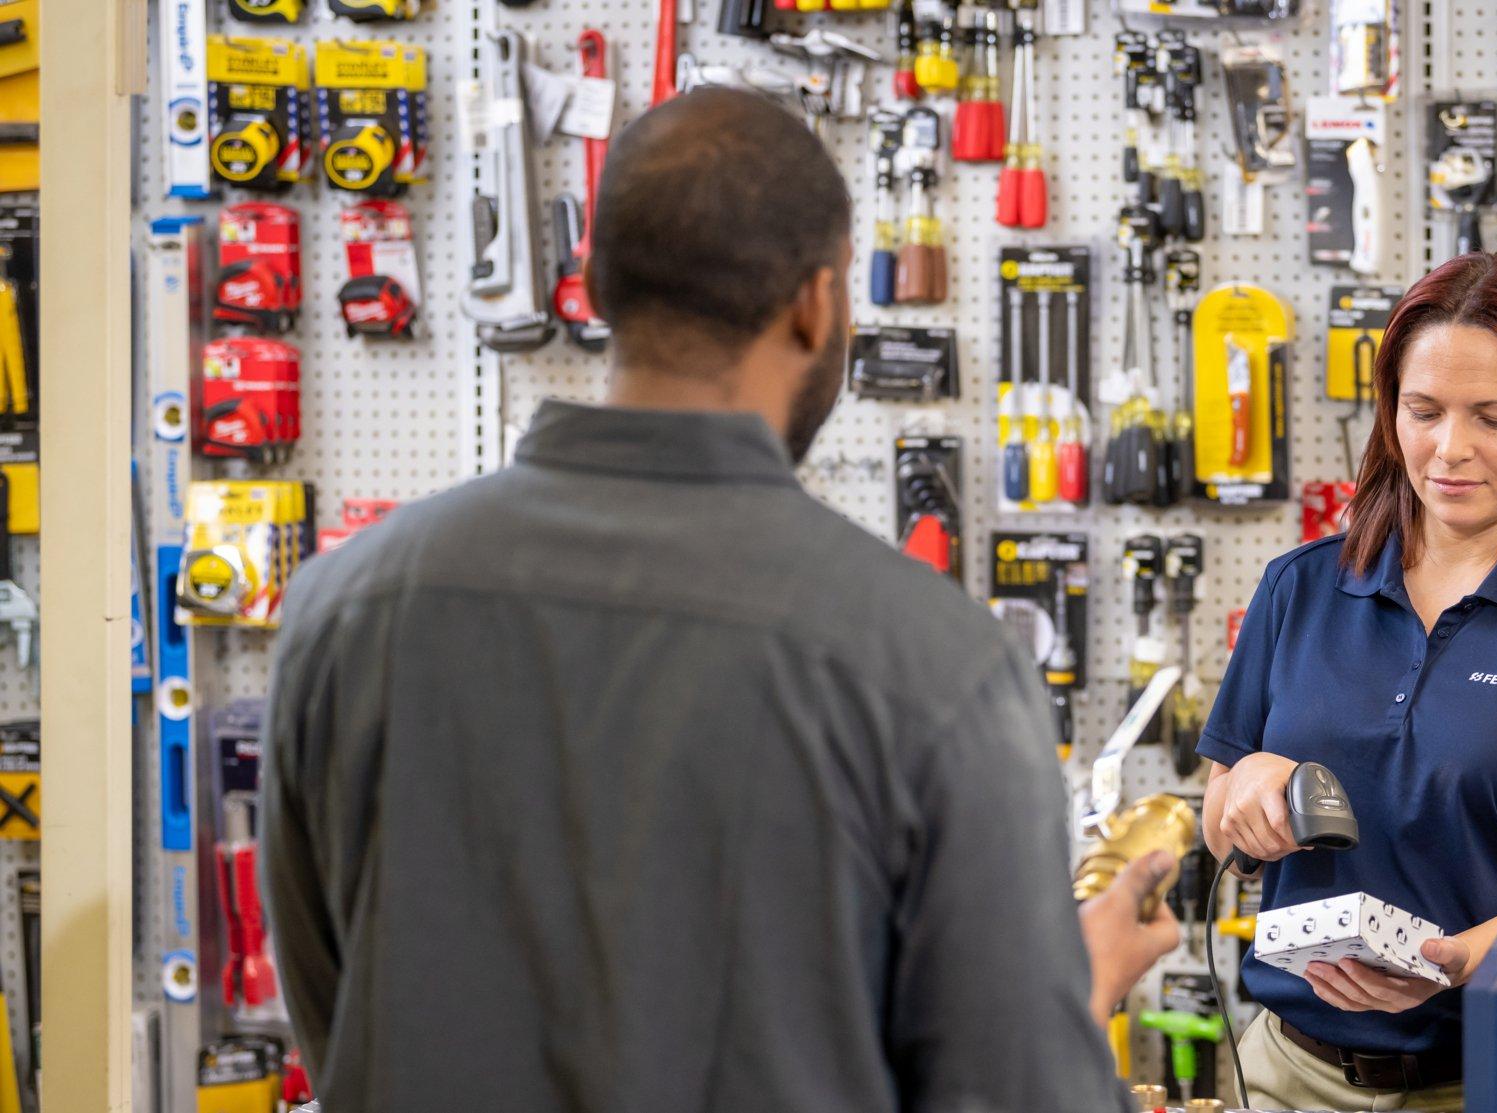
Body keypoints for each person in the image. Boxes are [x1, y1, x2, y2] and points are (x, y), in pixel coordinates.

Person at [260, 87, 1176, 1113]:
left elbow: (339, 1020)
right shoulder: (937, 666)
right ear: (817, 303)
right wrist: (1065, 993)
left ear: (598, 284)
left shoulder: (343, 610)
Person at [1198, 254, 1497, 1112]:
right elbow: (1220, 826)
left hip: (1492, 1079)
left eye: (1493, 417)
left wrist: (1468, 960)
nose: (1449, 449)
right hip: (1283, 1074)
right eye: (1422, 411)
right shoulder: (1300, 586)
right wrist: (1251, 788)